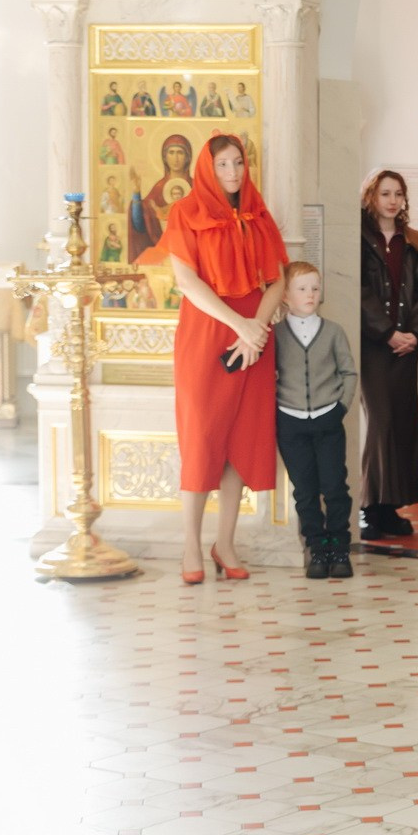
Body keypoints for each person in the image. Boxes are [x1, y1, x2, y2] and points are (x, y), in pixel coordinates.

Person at [161, 133, 288, 585]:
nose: (233, 172)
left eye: (238, 163)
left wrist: (257, 330)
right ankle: (191, 546)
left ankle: (226, 544)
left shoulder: (258, 213)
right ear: (207, 168)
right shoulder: (185, 211)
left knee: (241, 438)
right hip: (208, 332)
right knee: (202, 438)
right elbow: (187, 282)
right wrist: (241, 326)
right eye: (223, 164)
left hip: (256, 334)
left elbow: (277, 281)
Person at [358, 170, 418, 541]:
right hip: (374, 347)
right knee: (381, 424)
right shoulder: (358, 239)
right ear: (371, 197)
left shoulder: (414, 241)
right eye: (385, 193)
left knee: (402, 424)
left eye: (398, 194)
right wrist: (387, 332)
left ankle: (390, 509)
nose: (392, 201)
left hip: (406, 347)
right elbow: (358, 291)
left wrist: (416, 334)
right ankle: (369, 508)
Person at [274, 261, 357, 580]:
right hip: (291, 424)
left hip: (328, 420)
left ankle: (340, 548)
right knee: (305, 491)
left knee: (335, 487)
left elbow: (348, 372)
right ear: (285, 295)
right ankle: (317, 549)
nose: (310, 294)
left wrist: (340, 407)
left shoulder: (333, 331)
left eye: (315, 288)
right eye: (302, 289)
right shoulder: (276, 335)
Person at [128, 133, 194, 262]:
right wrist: (136, 193)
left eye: (180, 153)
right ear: (165, 157)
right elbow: (140, 225)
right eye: (171, 152)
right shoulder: (158, 189)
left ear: (188, 157)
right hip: (162, 253)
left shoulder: (197, 187)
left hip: (191, 253)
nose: (176, 158)